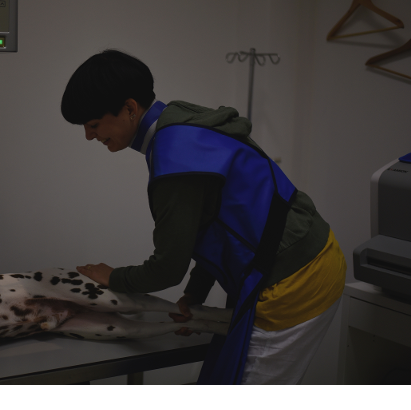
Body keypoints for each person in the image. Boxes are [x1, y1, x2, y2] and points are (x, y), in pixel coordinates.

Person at [60, 49, 346, 385]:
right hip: (309, 252)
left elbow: (168, 267)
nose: (89, 135)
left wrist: (115, 277)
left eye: (93, 125)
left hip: (296, 279)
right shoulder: (183, 121)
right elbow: (216, 222)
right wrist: (196, 292)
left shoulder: (174, 158)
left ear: (130, 108)